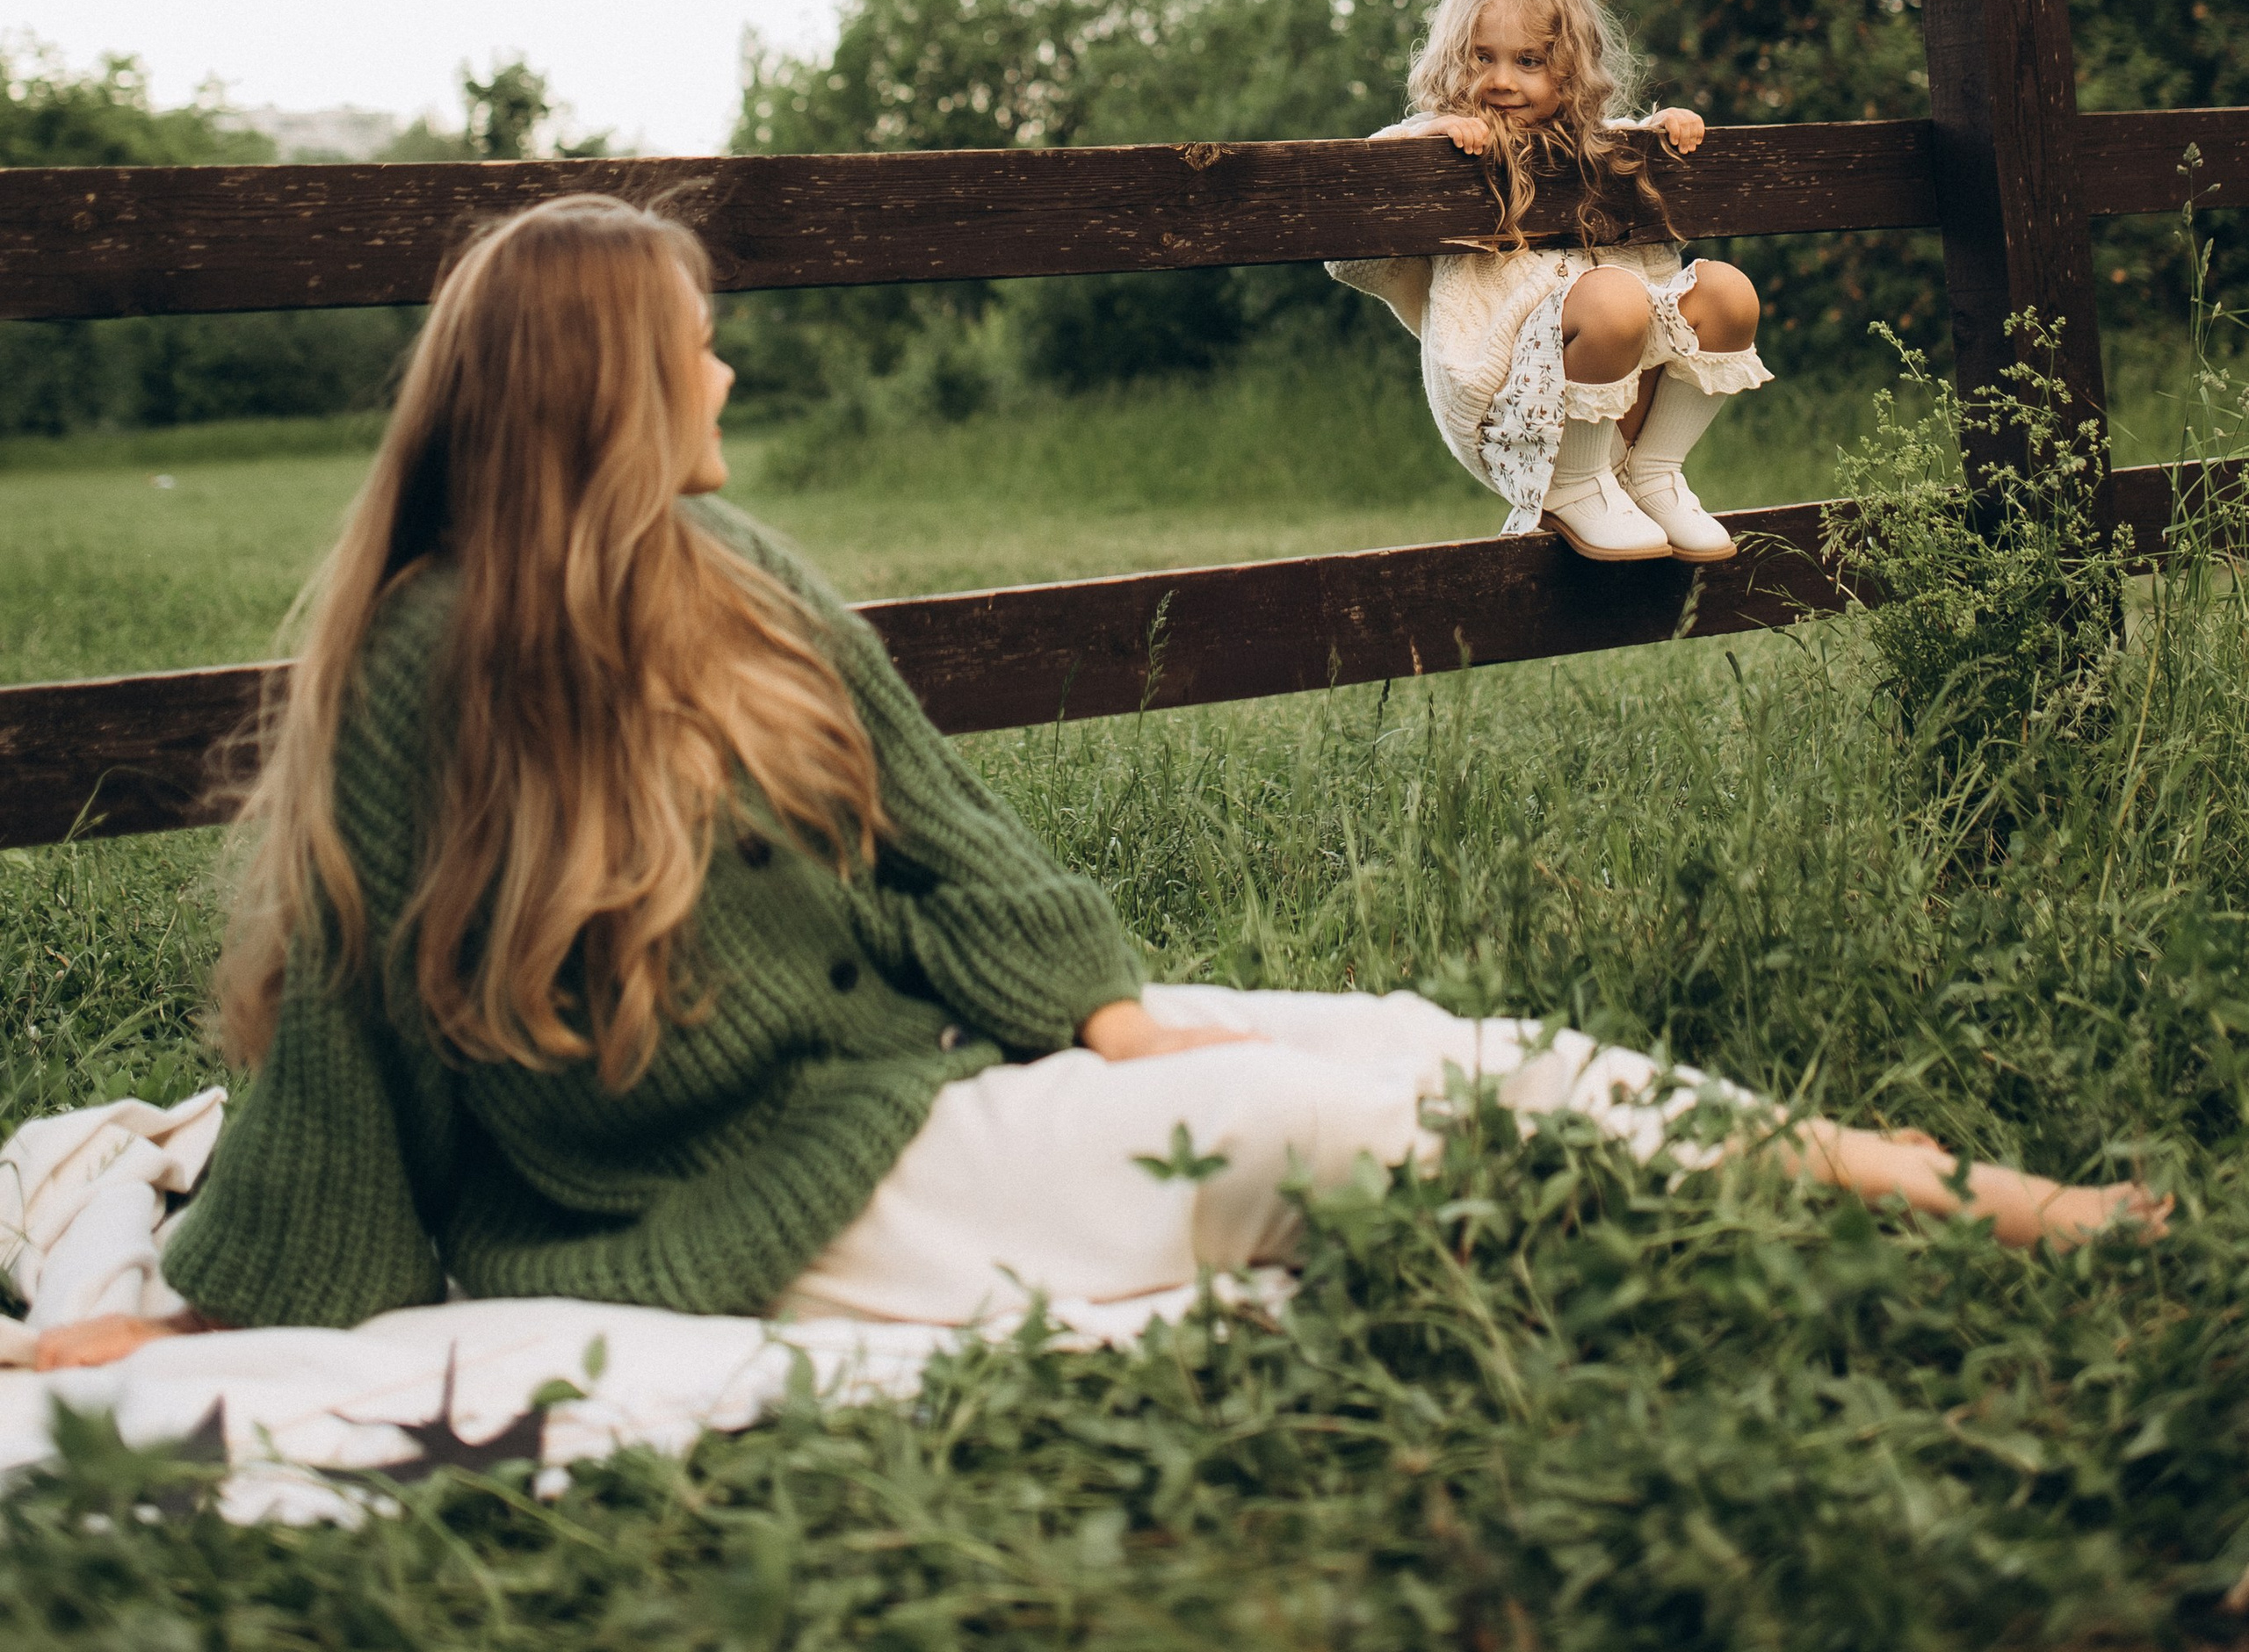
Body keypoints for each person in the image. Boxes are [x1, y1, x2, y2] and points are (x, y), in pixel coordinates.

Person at [35, 197, 2159, 1374]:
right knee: (1335, 1122)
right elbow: (346, 1015)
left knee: (1421, 1040)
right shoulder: (426, 666)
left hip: (920, 1072)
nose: (725, 369)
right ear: (598, 379)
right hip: (746, 1199)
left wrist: (1114, 1009)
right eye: (693, 339)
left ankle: (1905, 1176)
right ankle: (1917, 1228)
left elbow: (947, 832)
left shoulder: (740, 574)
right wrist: (204, 1316)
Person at [1331, 0, 1769, 566]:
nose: (1503, 79)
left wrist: (1661, 135)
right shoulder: (1450, 146)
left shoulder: (1597, 147)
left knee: (1728, 291)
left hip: (1617, 388)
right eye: (1483, 58)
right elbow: (1351, 254)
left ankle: (1655, 475)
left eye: (1529, 60)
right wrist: (1415, 140)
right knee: (1615, 297)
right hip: (1510, 407)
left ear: (1571, 68)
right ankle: (1572, 488)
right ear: (1455, 58)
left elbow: (1653, 231)